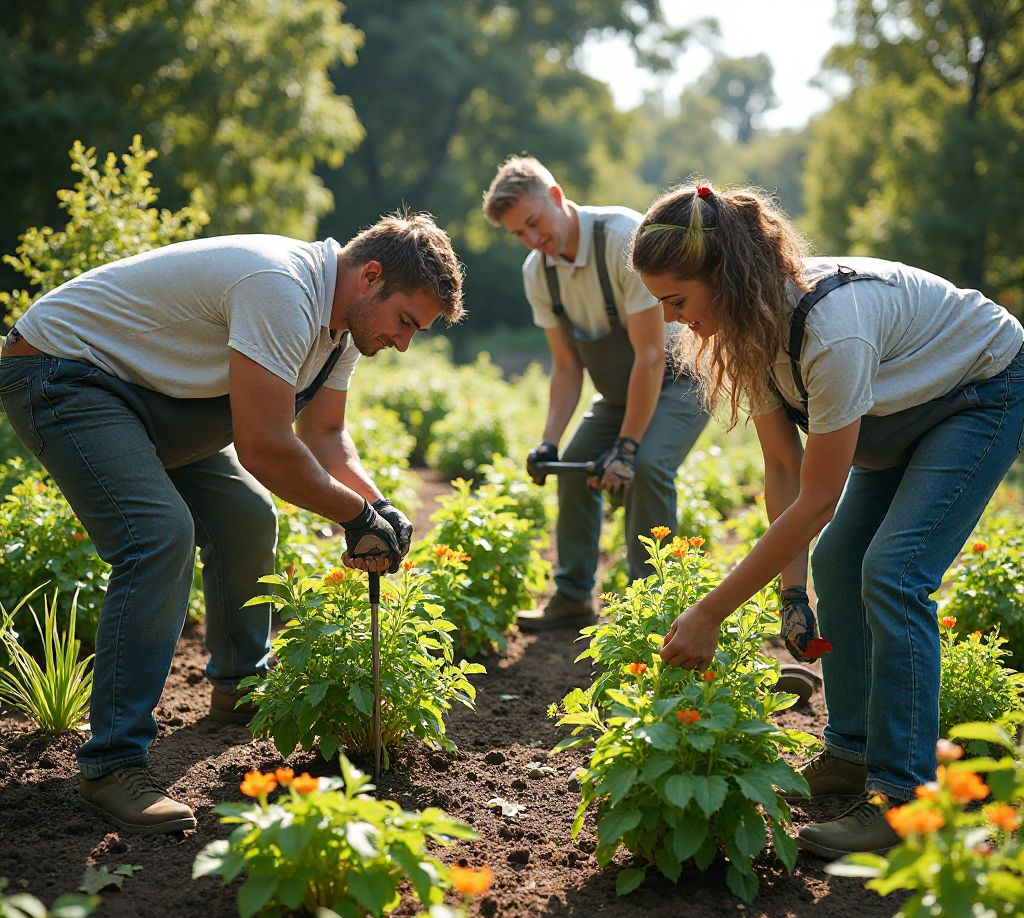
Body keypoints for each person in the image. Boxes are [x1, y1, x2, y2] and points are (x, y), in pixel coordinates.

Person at [0, 213, 465, 833]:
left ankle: (240, 689)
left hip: (153, 399)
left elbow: (324, 434)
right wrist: (353, 518)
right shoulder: (281, 287)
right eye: (406, 321)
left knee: (247, 515)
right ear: (370, 276)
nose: (404, 342)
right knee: (157, 536)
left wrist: (375, 507)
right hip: (63, 374)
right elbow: (265, 446)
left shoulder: (341, 331)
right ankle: (112, 764)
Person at [631, 181, 1024, 859]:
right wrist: (792, 592)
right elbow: (784, 473)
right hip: (905, 407)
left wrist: (709, 612)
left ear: (721, 278)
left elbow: (818, 498)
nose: (669, 320)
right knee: (841, 563)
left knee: (895, 572)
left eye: (677, 301)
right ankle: (850, 751)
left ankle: (904, 802)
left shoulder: (830, 331)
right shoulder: (748, 329)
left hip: (981, 390)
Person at [481, 156, 708, 630]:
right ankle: (572, 597)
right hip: (620, 393)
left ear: (558, 198)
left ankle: (656, 608)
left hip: (678, 381)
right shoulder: (537, 272)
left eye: (535, 223)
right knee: (574, 462)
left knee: (645, 468)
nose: (532, 240)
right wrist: (548, 442)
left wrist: (626, 448)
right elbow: (566, 366)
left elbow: (649, 357)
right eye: (519, 234)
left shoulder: (623, 238)